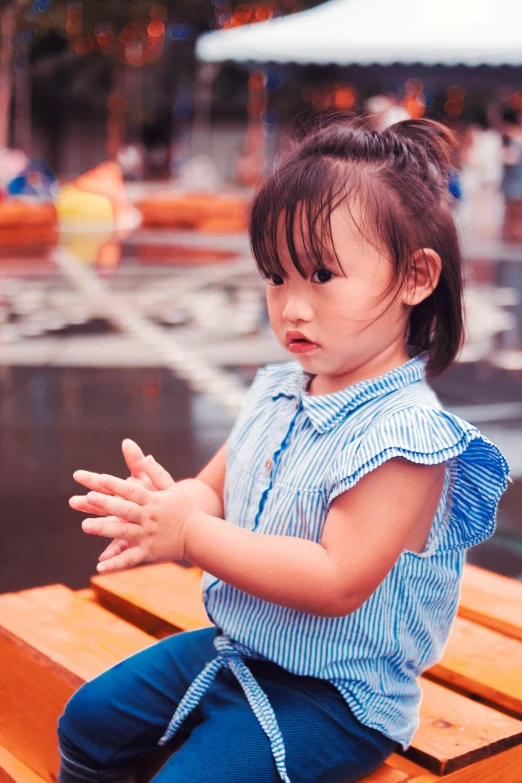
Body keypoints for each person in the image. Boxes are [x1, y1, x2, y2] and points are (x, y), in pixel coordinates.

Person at [59, 115, 510, 783]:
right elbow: (216, 486)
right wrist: (166, 508)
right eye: (276, 276)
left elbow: (333, 580)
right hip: (241, 647)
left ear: (417, 277)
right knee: (85, 720)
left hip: (334, 698)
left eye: (322, 274)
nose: (292, 307)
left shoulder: (407, 438)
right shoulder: (278, 390)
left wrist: (193, 535)